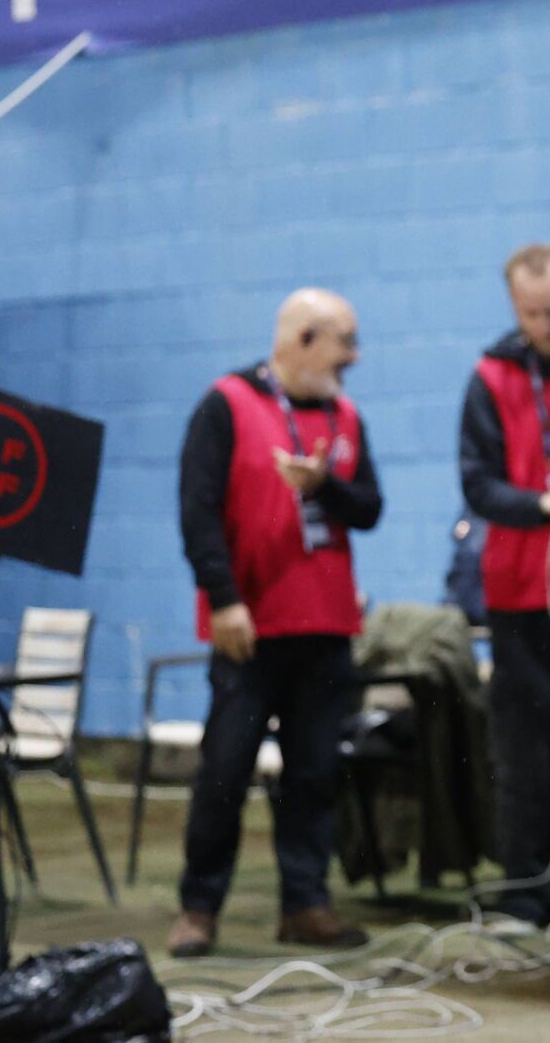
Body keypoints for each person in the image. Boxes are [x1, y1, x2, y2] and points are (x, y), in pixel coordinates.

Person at [170, 288, 380, 958]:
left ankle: (305, 902)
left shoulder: (346, 415)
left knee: (316, 772)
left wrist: (324, 485)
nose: (353, 356)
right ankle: (199, 906)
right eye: (343, 341)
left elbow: (370, 507)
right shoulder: (225, 404)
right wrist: (224, 598)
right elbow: (196, 511)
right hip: (250, 627)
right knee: (224, 770)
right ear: (305, 339)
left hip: (324, 625)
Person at [458, 243, 550, 925]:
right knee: (527, 753)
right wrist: (542, 506)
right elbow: (477, 485)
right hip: (520, 595)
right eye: (530, 313)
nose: (545, 323)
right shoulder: (489, 377)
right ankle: (527, 888)